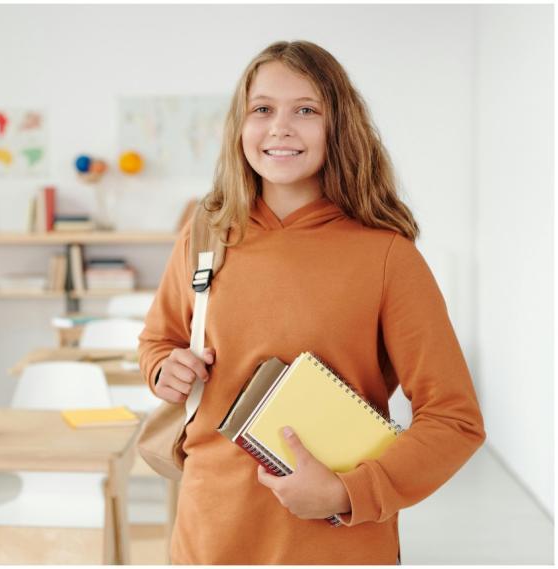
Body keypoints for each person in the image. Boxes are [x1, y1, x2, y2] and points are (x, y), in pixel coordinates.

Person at [138, 40, 486, 565]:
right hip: (210, 532)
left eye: (305, 110)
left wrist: (349, 494)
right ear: (239, 126)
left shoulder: (387, 255)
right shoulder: (205, 234)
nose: (280, 127)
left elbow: (455, 420)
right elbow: (158, 341)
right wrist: (164, 369)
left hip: (334, 541)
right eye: (262, 110)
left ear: (338, 127)